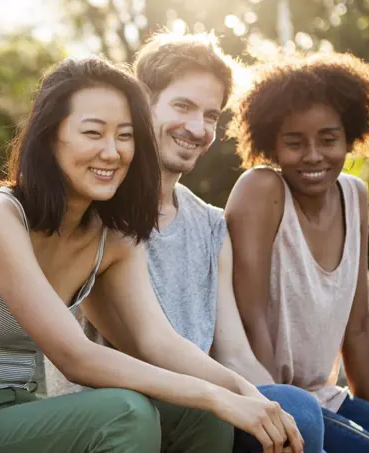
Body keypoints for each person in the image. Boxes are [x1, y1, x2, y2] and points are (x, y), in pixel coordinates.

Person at [0, 55, 303, 453]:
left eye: (125, 136)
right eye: (93, 133)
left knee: (204, 414)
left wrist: (242, 391)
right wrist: (213, 394)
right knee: (126, 413)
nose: (112, 152)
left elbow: (158, 341)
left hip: (17, 405)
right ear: (49, 137)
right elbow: (75, 357)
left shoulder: (112, 238)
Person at [45, 32, 324, 453]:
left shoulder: (212, 225)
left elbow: (233, 354)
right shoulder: (97, 213)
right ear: (141, 103)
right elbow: (145, 346)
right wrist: (243, 398)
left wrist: (275, 405)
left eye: (211, 115)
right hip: (123, 413)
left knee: (302, 414)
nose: (198, 128)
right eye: (183, 106)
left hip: (202, 409)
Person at [224, 51, 369, 453]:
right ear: (270, 143)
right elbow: (250, 319)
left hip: (329, 398)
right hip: (268, 401)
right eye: (294, 142)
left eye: (328, 139)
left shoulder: (354, 195)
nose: (314, 155)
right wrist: (283, 411)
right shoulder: (262, 191)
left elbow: (357, 327)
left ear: (350, 135)